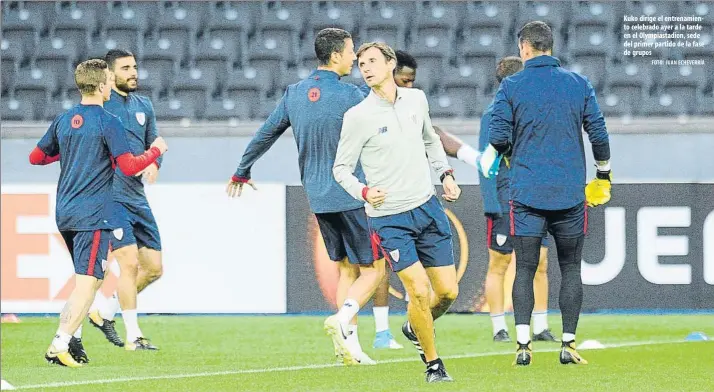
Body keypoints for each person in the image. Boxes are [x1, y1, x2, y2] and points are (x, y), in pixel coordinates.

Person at [226, 28, 384, 365]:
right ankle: (342, 320)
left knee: (346, 270)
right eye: (352, 51)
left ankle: (349, 348)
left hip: (318, 197)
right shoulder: (351, 95)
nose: (355, 58)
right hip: (352, 194)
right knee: (374, 270)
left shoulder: (295, 92)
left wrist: (243, 169)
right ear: (338, 55)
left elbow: (265, 132)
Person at [395, 51, 556, 342]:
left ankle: (542, 325)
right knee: (500, 265)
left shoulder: (537, 112)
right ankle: (499, 327)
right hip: (506, 202)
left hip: (535, 202)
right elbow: (486, 163)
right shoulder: (494, 115)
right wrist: (492, 204)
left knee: (539, 262)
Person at [480, 21, 612, 366]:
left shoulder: (511, 85)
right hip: (570, 193)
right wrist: (604, 174)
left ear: (524, 48)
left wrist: (510, 148)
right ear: (550, 47)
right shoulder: (578, 83)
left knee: (523, 269)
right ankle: (568, 345)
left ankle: (523, 346)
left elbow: (498, 137)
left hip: (526, 193)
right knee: (570, 268)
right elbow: (598, 133)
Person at [333, 42, 460, 383]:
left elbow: (431, 139)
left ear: (390, 64)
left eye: (373, 61)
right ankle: (434, 365)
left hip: (428, 208)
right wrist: (363, 191)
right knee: (418, 291)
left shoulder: (417, 99)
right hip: (389, 218)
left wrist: (445, 173)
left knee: (447, 292)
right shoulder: (357, 116)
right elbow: (341, 168)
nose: (366, 68)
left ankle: (412, 325)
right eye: (361, 63)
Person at [30, 59, 167, 367]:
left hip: (64, 211)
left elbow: (36, 157)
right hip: (93, 213)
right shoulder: (108, 122)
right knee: (89, 280)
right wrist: (156, 150)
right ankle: (60, 344)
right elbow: (129, 166)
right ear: (103, 84)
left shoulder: (64, 120)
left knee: (91, 279)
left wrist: (73, 152)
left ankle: (71, 340)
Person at [87, 49, 163, 351]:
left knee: (154, 268)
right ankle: (134, 336)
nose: (133, 72)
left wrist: (155, 163)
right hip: (111, 196)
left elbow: (153, 143)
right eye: (126, 68)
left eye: (135, 66)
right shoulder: (102, 108)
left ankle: (103, 311)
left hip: (137, 197)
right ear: (110, 74)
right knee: (128, 264)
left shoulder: (145, 105)